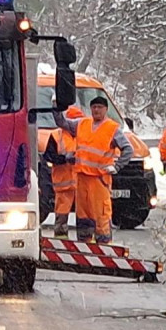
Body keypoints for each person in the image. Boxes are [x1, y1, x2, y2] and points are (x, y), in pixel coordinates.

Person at [53, 97, 133, 243]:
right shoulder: (82, 124)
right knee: (83, 216)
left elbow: (128, 149)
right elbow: (62, 123)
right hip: (82, 178)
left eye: (99, 107)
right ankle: (84, 246)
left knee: (101, 216)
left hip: (99, 179)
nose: (96, 110)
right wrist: (56, 107)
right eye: (94, 107)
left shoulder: (112, 128)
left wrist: (116, 166)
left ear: (106, 109)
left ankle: (104, 248)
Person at [42, 104, 83, 238]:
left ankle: (85, 241)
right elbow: (49, 156)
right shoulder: (56, 135)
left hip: (82, 183)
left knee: (84, 215)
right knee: (62, 214)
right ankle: (60, 241)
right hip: (64, 183)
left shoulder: (86, 135)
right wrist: (64, 159)